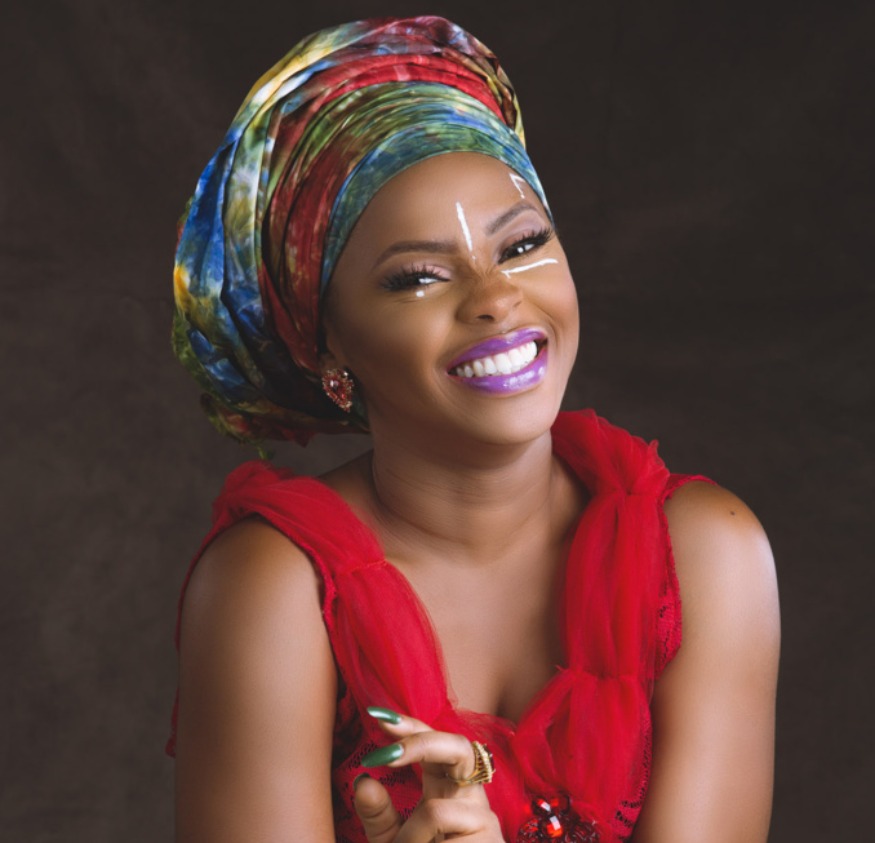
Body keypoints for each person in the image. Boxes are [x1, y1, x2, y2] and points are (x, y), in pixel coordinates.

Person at [168, 16, 779, 843]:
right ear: (324, 346)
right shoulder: (275, 590)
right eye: (416, 276)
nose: (494, 297)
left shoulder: (706, 556)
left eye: (522, 243)